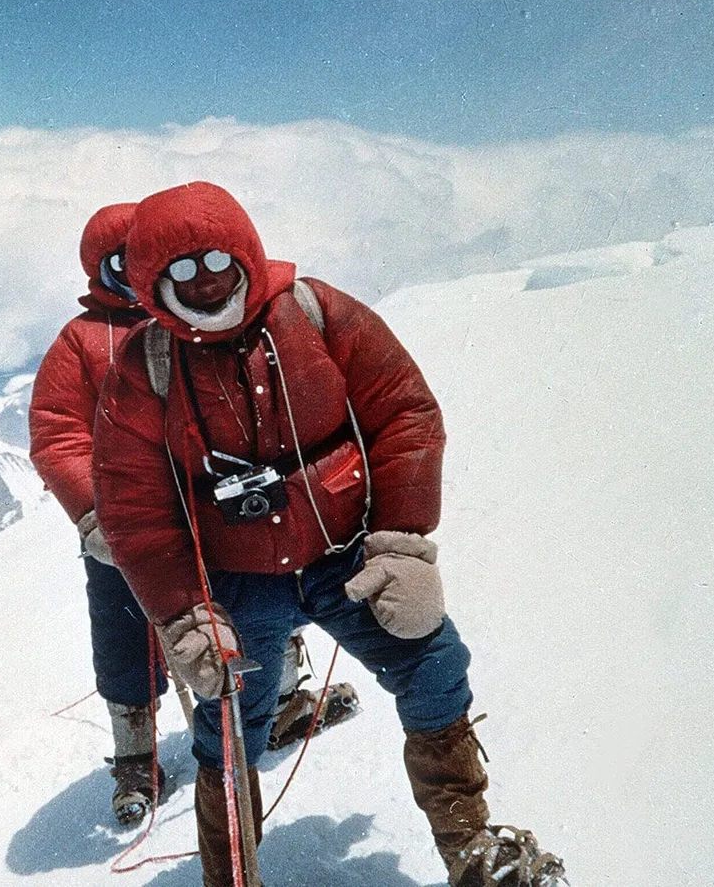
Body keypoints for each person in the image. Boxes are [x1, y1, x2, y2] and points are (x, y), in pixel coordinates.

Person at [92, 181, 565, 886]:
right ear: (154, 283)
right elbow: (135, 506)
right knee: (227, 734)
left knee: (434, 666)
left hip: (347, 560)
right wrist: (187, 613)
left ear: (246, 250)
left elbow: (403, 413)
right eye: (182, 272)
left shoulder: (314, 312)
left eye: (218, 260)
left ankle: (472, 854)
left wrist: (400, 540)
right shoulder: (147, 366)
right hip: (238, 581)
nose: (206, 282)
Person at [30, 204, 355, 827]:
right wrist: (96, 516)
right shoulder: (81, 340)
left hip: (214, 513)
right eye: (118, 263)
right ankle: (135, 758)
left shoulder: (198, 324)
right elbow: (57, 433)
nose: (134, 274)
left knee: (252, 604)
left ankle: (279, 700)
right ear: (100, 270)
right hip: (129, 525)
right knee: (127, 634)